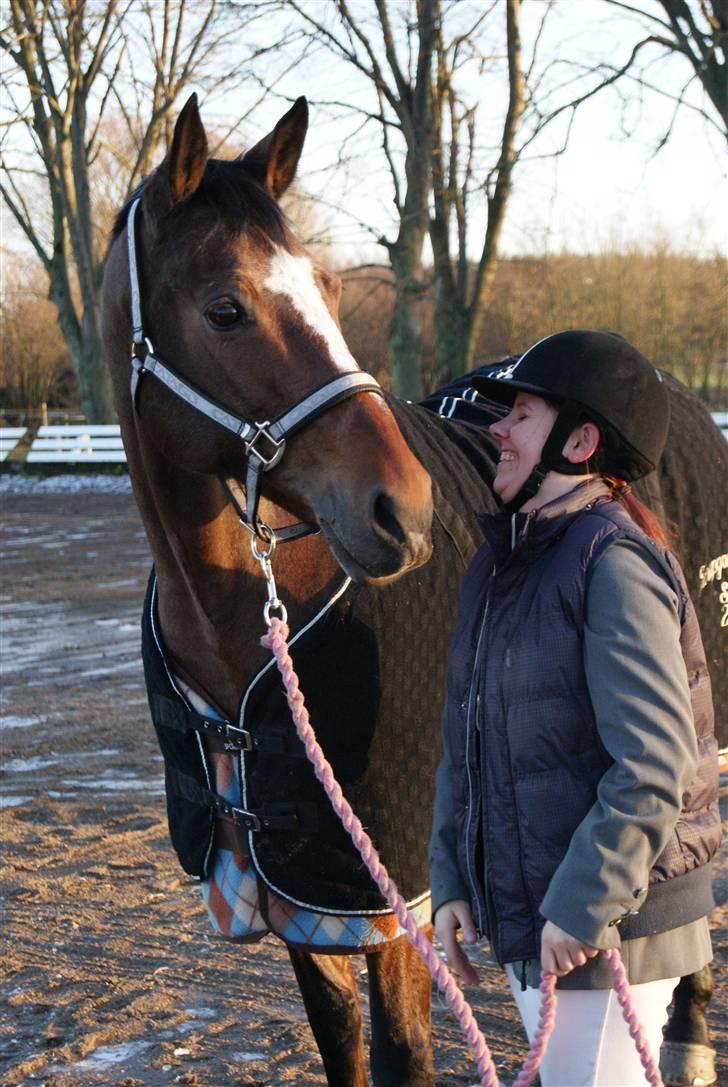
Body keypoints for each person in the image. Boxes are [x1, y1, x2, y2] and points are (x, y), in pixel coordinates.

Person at [429, 330, 721, 1086]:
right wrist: (454, 877)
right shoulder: (503, 563)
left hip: (611, 924)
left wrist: (583, 902)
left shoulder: (612, 565)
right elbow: (469, 741)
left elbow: (656, 761)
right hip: (553, 919)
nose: (496, 428)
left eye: (520, 414)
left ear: (580, 440)